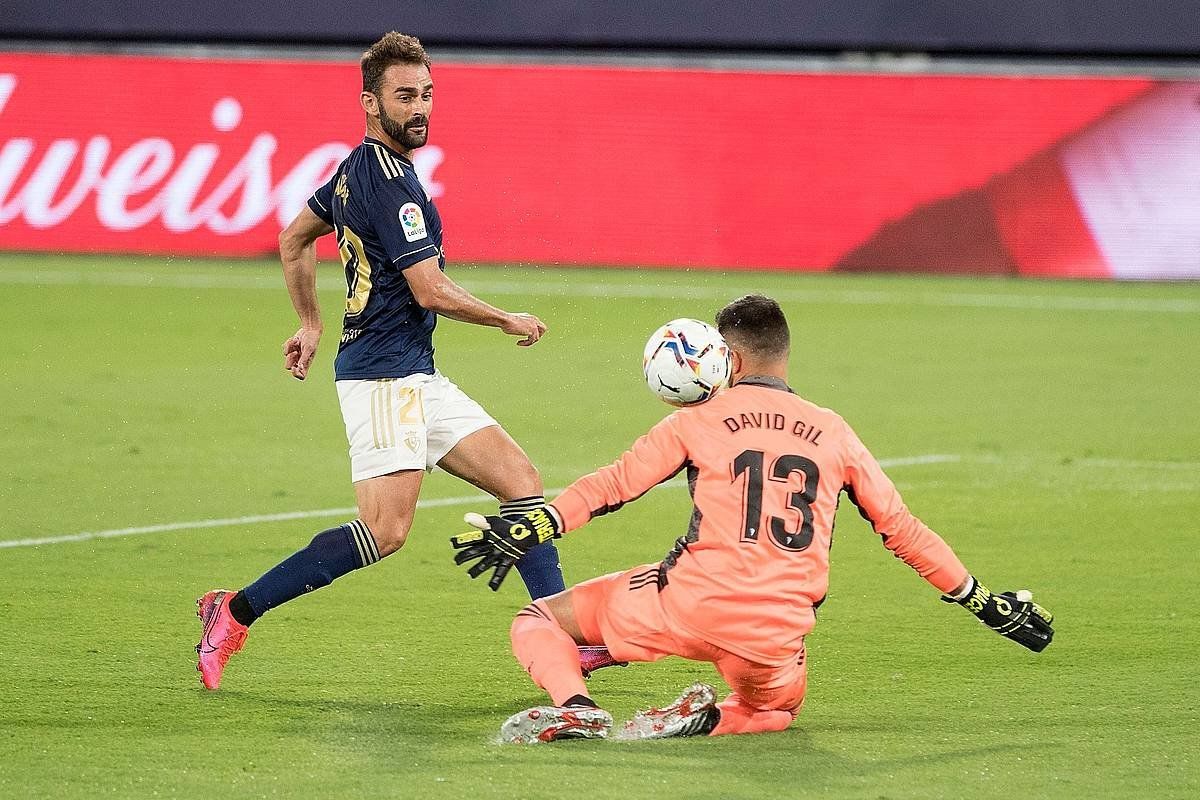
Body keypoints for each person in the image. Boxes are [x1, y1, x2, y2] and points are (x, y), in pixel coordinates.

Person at [196, 31, 619, 690]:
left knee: (520, 481)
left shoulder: (357, 168)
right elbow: (429, 288)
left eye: (426, 94)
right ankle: (235, 609)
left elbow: (293, 238)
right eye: (404, 96)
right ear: (370, 102)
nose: (419, 108)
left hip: (413, 370)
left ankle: (561, 634)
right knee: (385, 532)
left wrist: (311, 322)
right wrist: (506, 317)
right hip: (381, 377)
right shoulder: (388, 184)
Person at [451, 294, 1055, 742]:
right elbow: (904, 531)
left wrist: (537, 523)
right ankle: (713, 719)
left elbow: (614, 485)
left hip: (683, 606)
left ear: (728, 359)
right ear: (783, 355)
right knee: (778, 711)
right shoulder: (836, 432)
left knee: (537, 622)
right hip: (773, 637)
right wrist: (983, 601)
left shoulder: (697, 419)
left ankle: (577, 707)